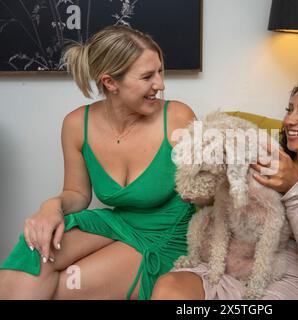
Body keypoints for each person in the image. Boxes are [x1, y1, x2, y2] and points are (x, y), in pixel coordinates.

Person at [0, 25, 196, 300]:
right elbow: (77, 194)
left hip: (167, 235)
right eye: (147, 76)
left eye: (160, 71)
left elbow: (207, 188)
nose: (160, 84)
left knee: (64, 287)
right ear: (110, 82)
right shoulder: (76, 124)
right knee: (33, 252)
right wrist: (50, 207)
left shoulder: (177, 117)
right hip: (116, 223)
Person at [151, 79, 298, 300]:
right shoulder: (268, 152)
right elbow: (227, 202)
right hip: (232, 260)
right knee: (168, 287)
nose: (289, 120)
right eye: (289, 110)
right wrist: (199, 183)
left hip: (291, 278)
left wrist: (294, 187)